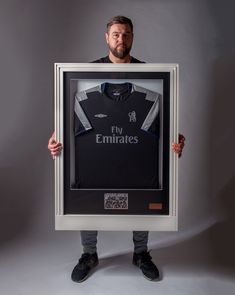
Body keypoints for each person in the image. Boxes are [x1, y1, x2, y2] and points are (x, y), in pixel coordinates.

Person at [48, 16, 185, 282]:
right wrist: (56, 137)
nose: (121, 39)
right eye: (116, 34)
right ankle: (89, 254)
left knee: (142, 192)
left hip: (136, 155)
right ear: (106, 37)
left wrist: (176, 138)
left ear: (133, 37)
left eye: (126, 34)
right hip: (96, 156)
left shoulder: (150, 75)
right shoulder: (87, 74)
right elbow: (67, 113)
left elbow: (166, 119)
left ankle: (141, 253)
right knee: (87, 196)